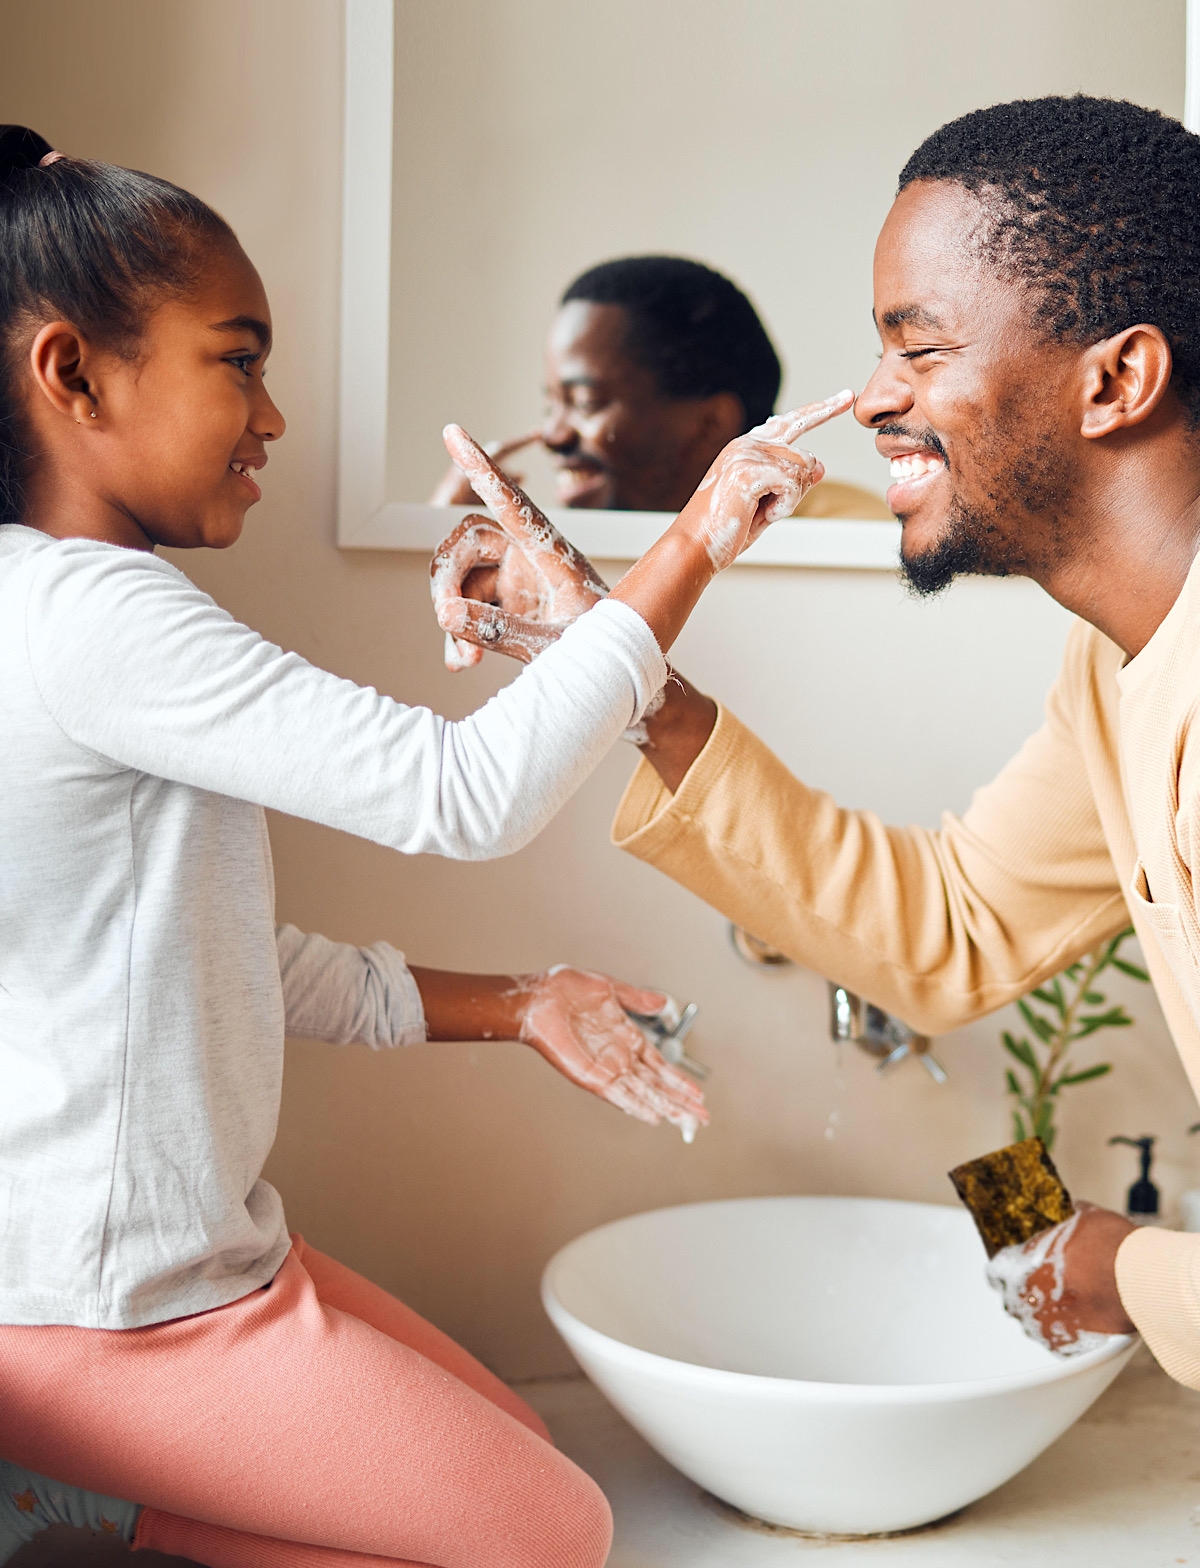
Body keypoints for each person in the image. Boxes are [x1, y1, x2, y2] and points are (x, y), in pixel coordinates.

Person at [0, 123, 850, 1568]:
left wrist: (523, 1008)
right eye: (241, 359)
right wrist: (699, 534)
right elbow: (466, 796)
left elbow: (216, 963)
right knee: (553, 1535)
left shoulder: (54, 608)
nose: (273, 418)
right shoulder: (98, 617)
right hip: (116, 1308)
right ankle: (76, 1496)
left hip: (186, 1263)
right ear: (73, 371)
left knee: (518, 1460)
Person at [433, 95, 1200, 1393]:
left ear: (1116, 379)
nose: (872, 404)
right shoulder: (1115, 666)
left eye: (919, 349)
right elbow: (948, 927)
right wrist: (628, 681)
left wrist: (1127, 1267)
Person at [428, 254, 888, 519]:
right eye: (552, 404)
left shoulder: (849, 536)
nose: (553, 435)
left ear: (710, 424)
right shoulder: (552, 552)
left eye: (585, 402)